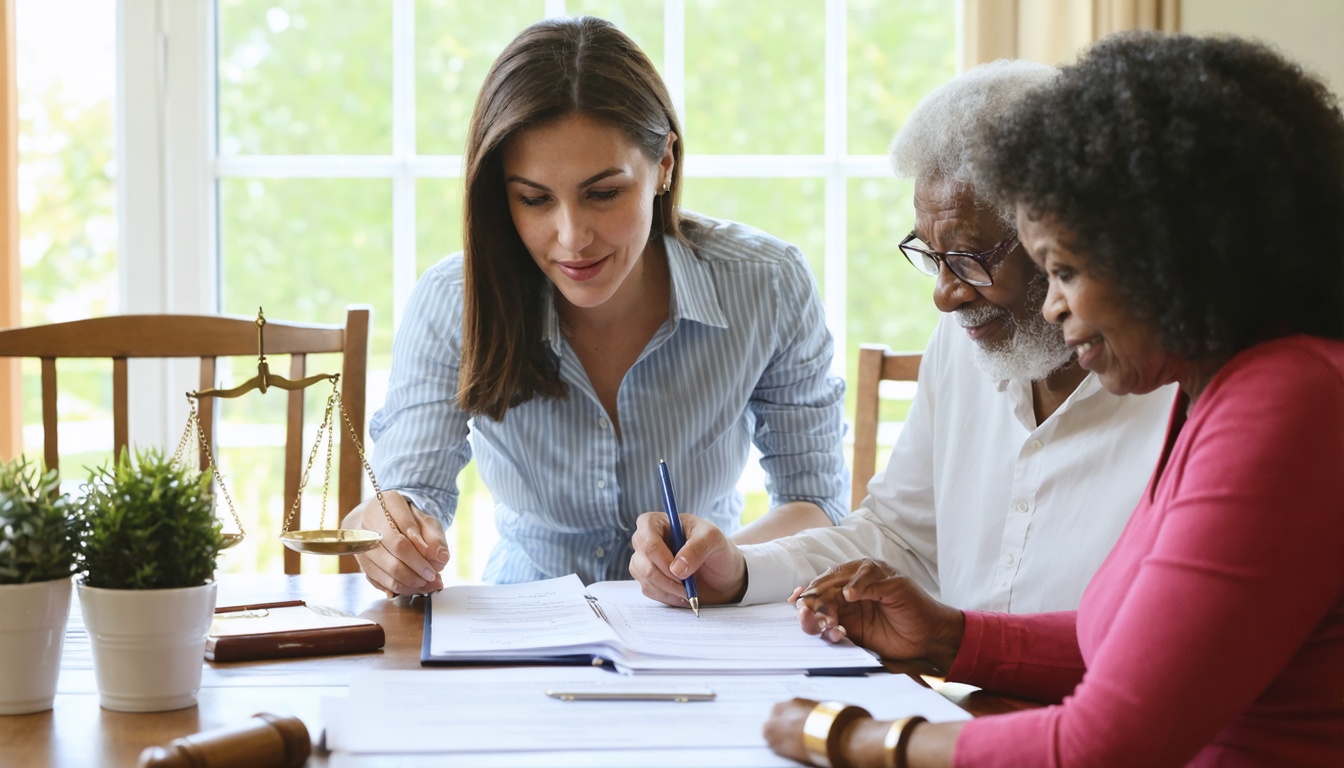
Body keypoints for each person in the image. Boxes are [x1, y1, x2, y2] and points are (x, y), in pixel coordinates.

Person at [766, 31, 1344, 767]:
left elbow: (1106, 740)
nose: (1051, 309)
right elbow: (1136, 649)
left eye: (1065, 271)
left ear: (1171, 260)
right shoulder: (1216, 391)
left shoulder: (1288, 405)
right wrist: (950, 635)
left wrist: (852, 737)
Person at [629, 60, 1174, 613]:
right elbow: (897, 538)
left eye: (968, 257)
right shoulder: (963, 340)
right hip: (955, 697)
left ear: (1063, 238)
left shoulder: (1182, 396)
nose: (944, 294)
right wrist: (740, 571)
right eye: (931, 256)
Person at [343, 16, 849, 595]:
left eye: (604, 194)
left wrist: (725, 562)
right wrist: (389, 535)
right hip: (526, 626)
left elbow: (818, 504)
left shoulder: (769, 285)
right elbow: (405, 494)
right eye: (534, 200)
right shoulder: (452, 299)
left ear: (664, 166)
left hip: (702, 624)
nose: (572, 237)